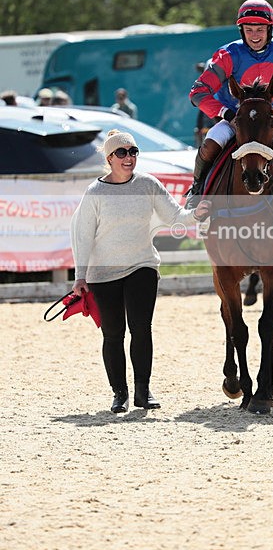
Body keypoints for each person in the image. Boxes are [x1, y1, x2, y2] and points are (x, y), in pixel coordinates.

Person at [70, 129, 210, 413]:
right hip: (103, 273)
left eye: (133, 151)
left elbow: (174, 217)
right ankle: (119, 393)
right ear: (110, 158)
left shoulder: (148, 184)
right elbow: (82, 235)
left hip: (142, 265)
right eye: (122, 153)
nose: (129, 157)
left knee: (141, 329)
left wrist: (196, 213)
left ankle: (143, 392)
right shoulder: (95, 192)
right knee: (113, 334)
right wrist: (80, 277)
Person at [187, 0, 273, 207]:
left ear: (269, 30)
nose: (254, 36)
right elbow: (198, 92)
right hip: (235, 121)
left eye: (259, 30)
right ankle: (197, 188)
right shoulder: (228, 55)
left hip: (271, 121)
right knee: (210, 143)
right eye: (249, 30)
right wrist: (227, 115)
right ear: (242, 31)